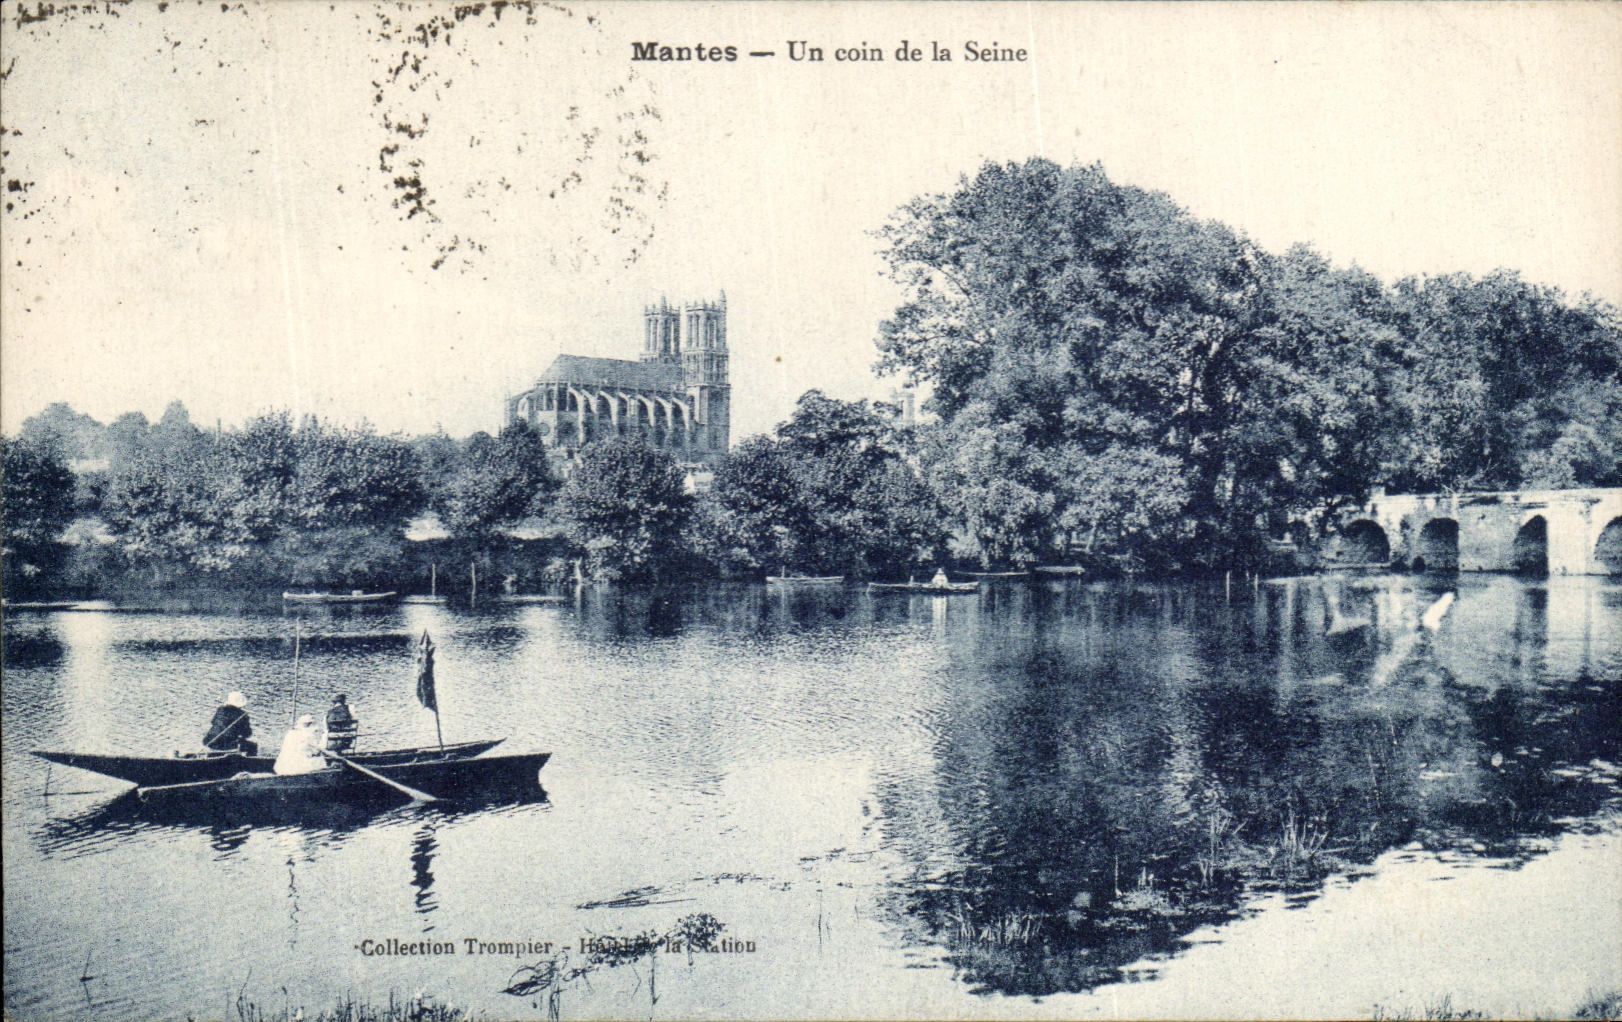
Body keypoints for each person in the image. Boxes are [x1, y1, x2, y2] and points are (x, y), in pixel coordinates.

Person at [202, 691, 256, 755]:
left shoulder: (220, 710)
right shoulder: (242, 715)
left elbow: (213, 722)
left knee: (224, 739)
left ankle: (213, 756)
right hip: (227, 743)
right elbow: (247, 734)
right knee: (253, 746)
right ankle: (249, 763)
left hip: (210, 740)